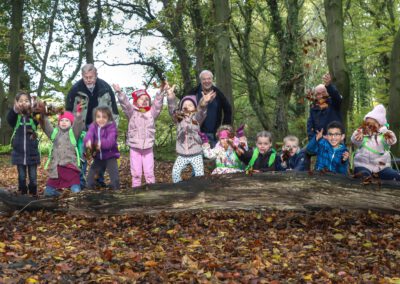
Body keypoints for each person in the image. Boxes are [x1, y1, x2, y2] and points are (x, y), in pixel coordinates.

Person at [65, 63, 119, 188]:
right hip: (82, 127)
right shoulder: (75, 89)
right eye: (86, 77)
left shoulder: (105, 87)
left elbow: (114, 110)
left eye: (91, 77)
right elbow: (68, 112)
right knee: (81, 155)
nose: (88, 80)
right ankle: (81, 182)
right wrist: (69, 130)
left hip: (101, 127)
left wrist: (113, 129)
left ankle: (98, 180)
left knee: (102, 155)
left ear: (96, 75)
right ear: (82, 76)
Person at [112, 83, 165, 187]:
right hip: (135, 148)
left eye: (147, 99)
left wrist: (160, 93)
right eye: (141, 99)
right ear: (136, 101)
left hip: (148, 148)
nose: (145, 101)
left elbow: (158, 105)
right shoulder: (132, 113)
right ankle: (135, 192)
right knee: (136, 173)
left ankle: (152, 191)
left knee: (149, 172)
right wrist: (119, 92)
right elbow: (125, 105)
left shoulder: (151, 113)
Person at [167, 87, 215, 183]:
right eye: (184, 105)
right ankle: (180, 189)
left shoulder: (196, 119)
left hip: (196, 153)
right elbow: (172, 110)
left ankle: (198, 190)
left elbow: (201, 111)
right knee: (175, 173)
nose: (187, 107)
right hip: (182, 154)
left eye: (190, 105)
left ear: (194, 108)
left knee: (199, 175)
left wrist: (203, 103)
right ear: (181, 108)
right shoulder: (179, 119)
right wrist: (171, 96)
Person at [351, 104, 400, 181]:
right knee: (363, 176)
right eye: (367, 124)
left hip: (382, 167)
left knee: (395, 176)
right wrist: (358, 134)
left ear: (380, 125)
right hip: (363, 165)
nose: (369, 126)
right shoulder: (362, 134)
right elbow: (354, 140)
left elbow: (392, 141)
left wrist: (389, 135)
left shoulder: (384, 136)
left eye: (373, 125)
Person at [42, 110, 84, 197]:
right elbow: (46, 127)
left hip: (70, 169)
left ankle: (75, 201)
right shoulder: (55, 134)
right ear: (58, 122)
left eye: (67, 120)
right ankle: (62, 197)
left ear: (71, 122)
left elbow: (78, 125)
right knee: (48, 192)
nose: (64, 122)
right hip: (56, 171)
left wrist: (79, 116)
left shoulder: (73, 133)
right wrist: (42, 115)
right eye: (61, 120)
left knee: (76, 191)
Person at [7, 92, 40, 195]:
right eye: (20, 101)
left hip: (32, 152)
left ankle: (33, 193)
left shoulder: (33, 117)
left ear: (30, 103)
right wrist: (15, 110)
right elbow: (9, 119)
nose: (23, 103)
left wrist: (35, 105)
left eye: (26, 101)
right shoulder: (16, 117)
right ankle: (23, 193)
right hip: (19, 153)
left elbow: (39, 117)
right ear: (16, 103)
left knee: (33, 177)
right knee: (21, 177)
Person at [188, 70, 232, 147]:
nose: (207, 81)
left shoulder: (218, 93)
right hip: (196, 134)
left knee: (214, 157)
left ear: (212, 79)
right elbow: (186, 111)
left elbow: (228, 110)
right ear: (200, 80)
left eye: (209, 79)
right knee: (197, 157)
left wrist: (224, 129)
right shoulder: (193, 93)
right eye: (204, 79)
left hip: (213, 134)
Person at [83, 106, 120, 189]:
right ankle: (90, 189)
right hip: (98, 156)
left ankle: (116, 190)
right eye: (98, 117)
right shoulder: (93, 126)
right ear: (95, 117)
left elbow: (111, 141)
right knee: (91, 177)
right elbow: (89, 134)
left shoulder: (112, 127)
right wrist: (88, 141)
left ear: (109, 118)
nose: (101, 119)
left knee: (114, 176)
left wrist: (101, 143)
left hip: (110, 155)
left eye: (104, 117)